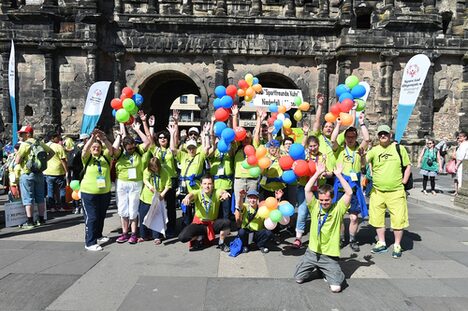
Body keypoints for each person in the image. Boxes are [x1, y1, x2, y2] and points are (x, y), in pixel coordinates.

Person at [294, 162, 352, 293]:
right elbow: (307, 189)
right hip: (312, 253)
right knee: (298, 278)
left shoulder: (338, 208)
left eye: (326, 200)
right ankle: (317, 268)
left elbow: (349, 192)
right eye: (321, 200)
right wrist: (317, 173)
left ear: (332, 198)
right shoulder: (314, 206)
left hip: (329, 255)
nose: (324, 203)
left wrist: (338, 175)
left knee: (336, 288)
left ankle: (332, 272)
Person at [366, 125, 411, 259]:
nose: (382, 136)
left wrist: (404, 180)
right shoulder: (374, 150)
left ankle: (397, 244)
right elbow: (364, 162)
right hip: (378, 191)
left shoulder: (399, 148)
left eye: (385, 134)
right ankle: (381, 242)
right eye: (380, 134)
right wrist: (362, 156)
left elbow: (407, 165)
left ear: (390, 135)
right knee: (377, 218)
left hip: (396, 191)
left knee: (398, 219)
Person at [330, 114, 370, 252]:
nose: (351, 139)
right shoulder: (340, 150)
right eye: (348, 137)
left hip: (355, 185)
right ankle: (341, 238)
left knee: (353, 217)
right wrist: (338, 125)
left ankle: (353, 239)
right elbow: (333, 139)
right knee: (340, 215)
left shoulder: (359, 150)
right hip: (341, 184)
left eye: (353, 137)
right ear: (345, 138)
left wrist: (362, 123)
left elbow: (367, 139)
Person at [113, 121, 152, 245]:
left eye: (133, 147)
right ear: (124, 147)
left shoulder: (139, 151)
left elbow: (147, 142)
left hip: (136, 183)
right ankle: (125, 233)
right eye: (129, 148)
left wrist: (138, 130)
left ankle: (134, 233)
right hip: (122, 183)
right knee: (123, 209)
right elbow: (112, 149)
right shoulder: (120, 154)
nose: (131, 150)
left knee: (133, 209)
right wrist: (119, 136)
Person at [178, 175, 232, 252]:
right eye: (205, 183)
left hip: (212, 223)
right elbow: (191, 195)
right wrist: (187, 198)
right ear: (201, 185)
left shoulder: (216, 192)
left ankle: (221, 243)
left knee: (227, 223)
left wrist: (225, 193)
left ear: (213, 185)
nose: (207, 186)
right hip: (200, 223)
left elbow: (222, 191)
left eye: (209, 184)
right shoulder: (198, 192)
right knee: (182, 237)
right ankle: (199, 237)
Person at [80, 129, 114, 251]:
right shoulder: (87, 158)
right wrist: (92, 138)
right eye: (93, 147)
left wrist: (103, 139)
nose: (96, 149)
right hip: (89, 193)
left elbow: (111, 150)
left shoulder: (105, 157)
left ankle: (98, 235)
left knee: (100, 216)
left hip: (104, 192)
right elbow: (84, 150)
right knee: (92, 217)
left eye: (98, 147)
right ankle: (90, 242)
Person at [292, 135, 329, 249]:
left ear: (318, 145)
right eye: (311, 146)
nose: (313, 148)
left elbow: (328, 170)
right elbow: (297, 166)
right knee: (302, 212)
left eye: (315, 145)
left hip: (319, 189)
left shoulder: (323, 156)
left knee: (318, 213)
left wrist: (325, 173)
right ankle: (298, 238)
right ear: (308, 147)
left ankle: (317, 236)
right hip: (304, 187)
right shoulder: (304, 156)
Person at [15, 125, 55, 228]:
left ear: (28, 134)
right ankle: (41, 219)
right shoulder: (39, 142)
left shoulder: (24, 145)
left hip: (27, 173)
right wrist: (43, 162)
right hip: (39, 173)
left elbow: (17, 161)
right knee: (40, 197)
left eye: (22, 134)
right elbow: (52, 152)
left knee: (28, 198)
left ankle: (30, 222)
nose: (20, 136)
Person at [149, 114, 178, 237]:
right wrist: (151, 125)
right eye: (160, 137)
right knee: (159, 205)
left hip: (170, 179)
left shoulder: (170, 150)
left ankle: (171, 227)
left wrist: (173, 130)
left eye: (165, 137)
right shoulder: (155, 149)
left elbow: (174, 144)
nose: (162, 139)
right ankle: (159, 229)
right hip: (158, 180)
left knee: (170, 206)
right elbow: (150, 139)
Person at [138, 157, 171, 244]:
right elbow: (145, 180)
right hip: (146, 197)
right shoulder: (147, 171)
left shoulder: (164, 172)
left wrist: (162, 194)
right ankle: (143, 235)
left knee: (156, 217)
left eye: (155, 167)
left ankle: (156, 236)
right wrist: (150, 187)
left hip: (158, 198)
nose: (153, 169)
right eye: (152, 167)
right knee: (143, 216)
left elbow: (168, 184)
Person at [235, 189, 273, 253]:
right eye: (250, 198)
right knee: (241, 232)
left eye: (254, 198)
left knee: (268, 233)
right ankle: (245, 245)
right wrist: (240, 197)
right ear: (248, 199)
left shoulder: (262, 208)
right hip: (247, 231)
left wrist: (278, 199)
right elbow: (239, 206)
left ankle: (260, 245)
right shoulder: (245, 206)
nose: (252, 200)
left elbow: (272, 208)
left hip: (257, 232)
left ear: (257, 199)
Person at [43, 132, 69, 212]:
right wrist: (66, 171)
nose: (59, 139)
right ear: (53, 138)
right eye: (58, 137)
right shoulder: (58, 146)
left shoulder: (45, 146)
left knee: (50, 190)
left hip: (47, 171)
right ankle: (62, 206)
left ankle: (52, 207)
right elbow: (63, 159)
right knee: (61, 189)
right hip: (58, 171)